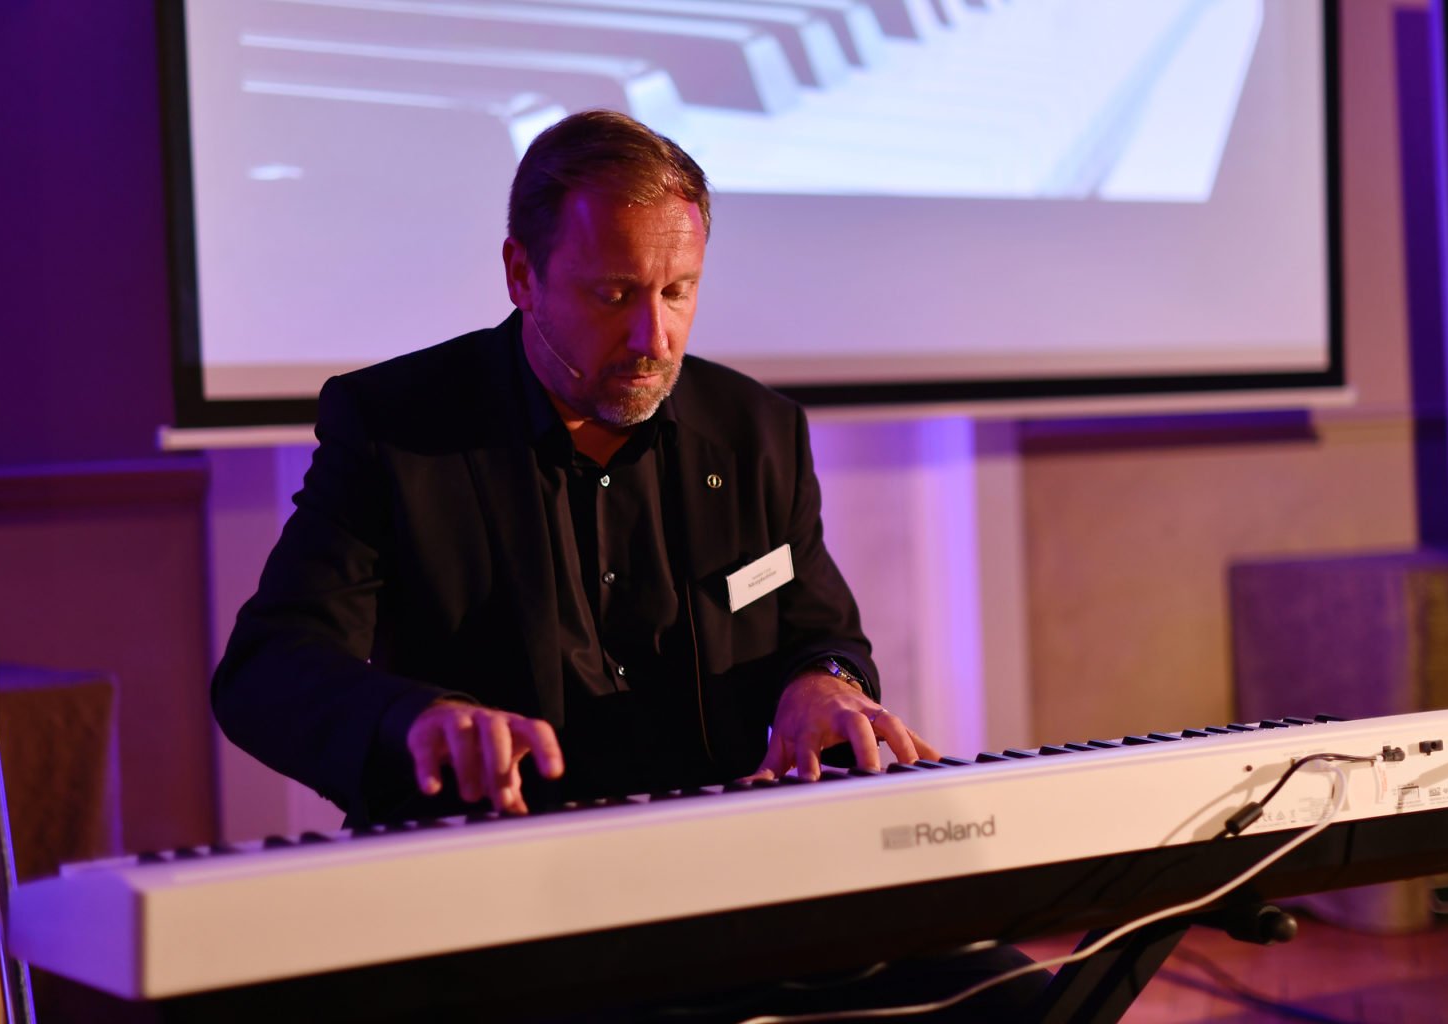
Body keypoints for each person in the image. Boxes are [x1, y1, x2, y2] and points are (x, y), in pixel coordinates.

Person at [212, 109, 1043, 1020]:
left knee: (1015, 999)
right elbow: (266, 670)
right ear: (522, 274)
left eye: (679, 292)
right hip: (500, 908)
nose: (654, 336)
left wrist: (826, 681)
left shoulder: (756, 431)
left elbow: (820, 630)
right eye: (615, 296)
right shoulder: (399, 430)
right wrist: (416, 719)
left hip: (730, 892)